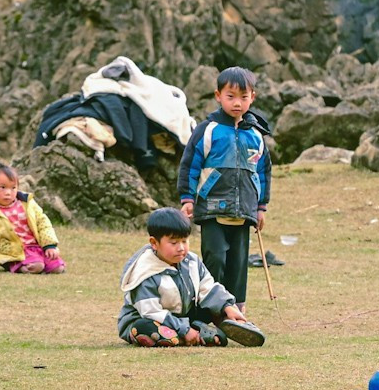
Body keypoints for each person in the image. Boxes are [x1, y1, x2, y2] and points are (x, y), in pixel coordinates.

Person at [176, 67, 273, 306]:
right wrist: (187, 198)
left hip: (244, 211)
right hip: (212, 208)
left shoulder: (257, 135)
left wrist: (260, 207)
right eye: (231, 97)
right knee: (216, 258)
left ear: (253, 97)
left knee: (238, 263)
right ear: (218, 96)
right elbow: (190, 164)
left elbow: (263, 172)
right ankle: (209, 307)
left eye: (244, 97)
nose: (237, 103)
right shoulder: (208, 129)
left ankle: (235, 310)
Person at [117, 207, 265, 347]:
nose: (181, 248)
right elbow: (151, 312)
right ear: (154, 243)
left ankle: (231, 323)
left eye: (184, 241)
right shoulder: (145, 272)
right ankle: (194, 335)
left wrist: (228, 306)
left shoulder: (191, 261)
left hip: (185, 315)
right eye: (173, 242)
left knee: (215, 303)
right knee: (146, 329)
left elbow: (208, 288)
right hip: (151, 320)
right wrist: (184, 329)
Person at [0, 163, 64, 273]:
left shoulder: (28, 203)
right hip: (13, 252)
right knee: (37, 266)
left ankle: (37, 260)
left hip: (36, 248)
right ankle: (16, 266)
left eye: (13, 188)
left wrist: (49, 245)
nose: (8, 192)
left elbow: (43, 223)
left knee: (57, 268)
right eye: (2, 187)